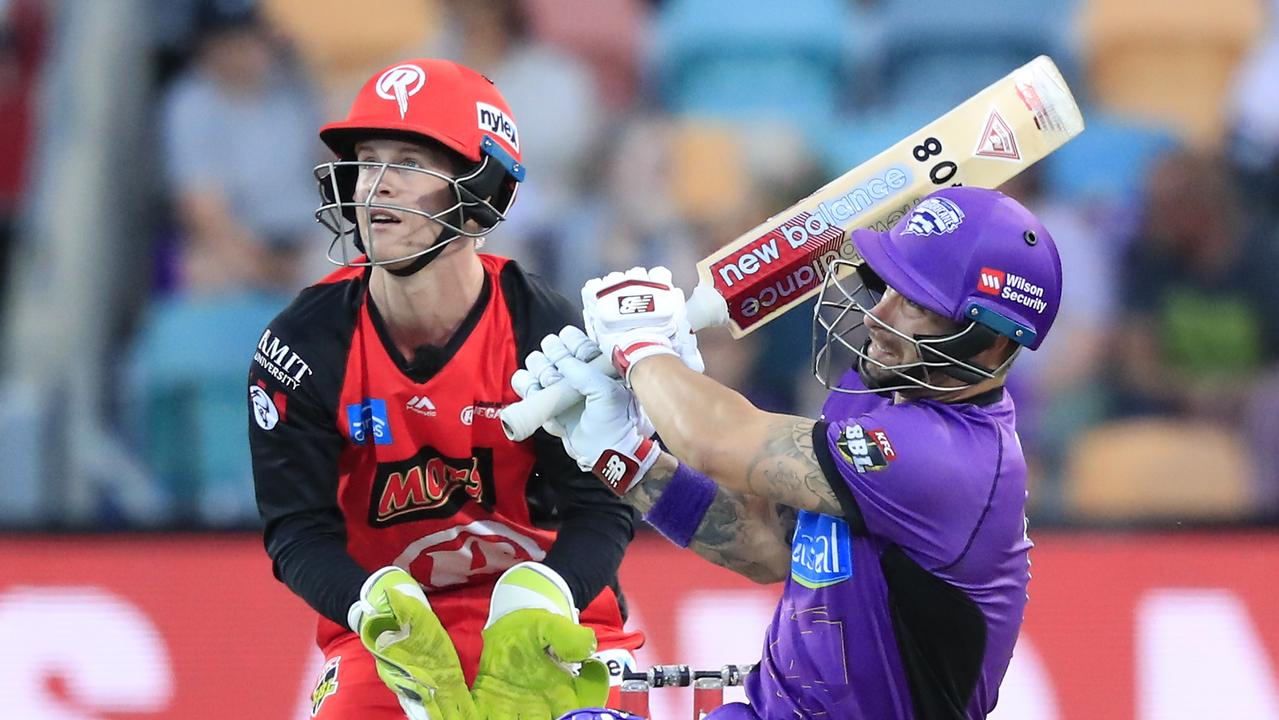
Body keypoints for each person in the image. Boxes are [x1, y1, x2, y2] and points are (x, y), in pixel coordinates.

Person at [518, 187, 1063, 719]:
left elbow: (716, 440)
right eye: (889, 287)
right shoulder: (874, 392)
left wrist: (641, 347)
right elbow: (767, 545)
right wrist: (622, 456)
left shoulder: (949, 457)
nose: (879, 316)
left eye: (916, 306)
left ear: (988, 342)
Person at [247, 57, 642, 719]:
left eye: (408, 161)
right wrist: (370, 609)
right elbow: (296, 531)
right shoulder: (300, 348)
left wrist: (545, 598)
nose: (375, 188)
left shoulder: (546, 333)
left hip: (551, 613)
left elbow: (602, 511)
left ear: (479, 187)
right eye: (367, 161)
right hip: (391, 635)